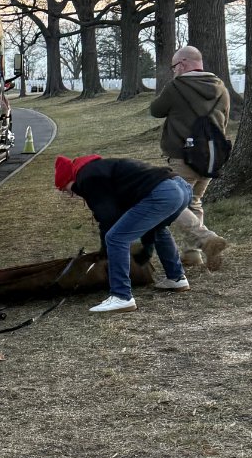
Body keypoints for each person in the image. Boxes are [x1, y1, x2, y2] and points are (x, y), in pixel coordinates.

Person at [54, 153, 193, 314]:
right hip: (180, 187)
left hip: (163, 192)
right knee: (158, 229)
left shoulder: (86, 177)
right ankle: (176, 278)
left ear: (69, 179)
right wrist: (146, 247)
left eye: (66, 189)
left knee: (115, 238)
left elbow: (108, 217)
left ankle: (121, 296)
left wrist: (105, 253)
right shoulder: (100, 168)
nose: (71, 195)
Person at [148, 45, 230, 271]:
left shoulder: (177, 86)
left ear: (183, 64)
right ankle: (192, 255)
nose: (174, 71)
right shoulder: (220, 86)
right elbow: (224, 120)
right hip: (212, 156)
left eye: (174, 67)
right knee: (193, 201)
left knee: (172, 202)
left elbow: (155, 110)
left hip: (182, 156)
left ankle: (206, 239)